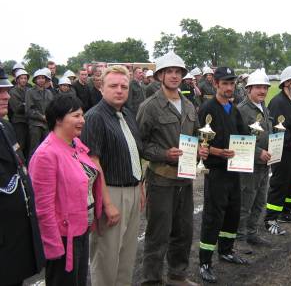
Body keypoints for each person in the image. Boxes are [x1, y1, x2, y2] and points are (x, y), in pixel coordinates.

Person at [137, 51, 208, 286]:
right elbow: (141, 144)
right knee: (158, 233)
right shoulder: (150, 106)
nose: (174, 76)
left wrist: (200, 150)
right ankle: (152, 280)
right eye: (169, 71)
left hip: (185, 178)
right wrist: (164, 154)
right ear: (160, 76)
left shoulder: (188, 105)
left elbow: (197, 135)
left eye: (178, 72)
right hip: (161, 179)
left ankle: (177, 275)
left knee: (184, 231)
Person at [80, 65, 145, 286]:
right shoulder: (94, 117)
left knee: (127, 255)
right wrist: (107, 203)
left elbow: (134, 152)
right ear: (101, 88)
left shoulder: (127, 114)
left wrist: (141, 187)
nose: (119, 90)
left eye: (124, 86)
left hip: (133, 189)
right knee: (106, 256)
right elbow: (94, 163)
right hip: (112, 193)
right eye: (113, 86)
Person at [29, 95, 103, 286]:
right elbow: (42, 207)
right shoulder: (46, 154)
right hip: (63, 237)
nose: (82, 120)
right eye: (76, 115)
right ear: (59, 119)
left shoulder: (75, 144)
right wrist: (54, 246)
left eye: (82, 115)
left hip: (81, 228)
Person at [198, 66, 249, 283]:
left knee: (232, 212)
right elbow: (199, 143)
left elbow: (244, 136)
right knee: (213, 216)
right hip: (217, 171)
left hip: (234, 170)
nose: (229, 87)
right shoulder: (207, 109)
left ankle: (226, 250)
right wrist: (219, 152)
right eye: (225, 83)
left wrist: (247, 147)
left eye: (232, 83)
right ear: (216, 84)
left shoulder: (233, 108)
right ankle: (205, 262)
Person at [0, 66, 45, 286]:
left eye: (6, 90)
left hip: (14, 236)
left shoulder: (5, 127)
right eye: (0, 91)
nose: (6, 96)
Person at [265, 66, 291, 233]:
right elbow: (278, 131)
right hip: (283, 151)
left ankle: (287, 210)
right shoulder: (278, 102)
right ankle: (270, 219)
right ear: (286, 83)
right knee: (279, 184)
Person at [236, 68, 272, 246]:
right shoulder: (242, 110)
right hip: (249, 165)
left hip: (265, 164)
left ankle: (252, 233)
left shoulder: (263, 107)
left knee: (260, 201)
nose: (262, 91)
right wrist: (259, 152)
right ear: (248, 89)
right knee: (245, 202)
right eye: (258, 87)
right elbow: (238, 139)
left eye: (265, 87)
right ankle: (240, 238)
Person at [26, 68, 54, 158]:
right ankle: (31, 169)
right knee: (35, 149)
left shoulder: (49, 92)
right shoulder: (30, 92)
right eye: (39, 78)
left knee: (47, 148)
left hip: (47, 125)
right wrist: (42, 116)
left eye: (43, 78)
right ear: (35, 80)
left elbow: (52, 107)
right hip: (35, 125)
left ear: (46, 79)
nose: (41, 80)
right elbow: (29, 110)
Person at [8, 69, 31, 158]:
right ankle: (20, 164)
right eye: (21, 78)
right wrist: (28, 105)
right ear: (17, 80)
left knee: (29, 144)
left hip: (28, 121)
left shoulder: (29, 90)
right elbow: (17, 108)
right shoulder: (13, 91)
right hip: (19, 121)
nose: (24, 80)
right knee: (20, 144)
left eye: (25, 78)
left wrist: (25, 104)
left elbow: (34, 104)